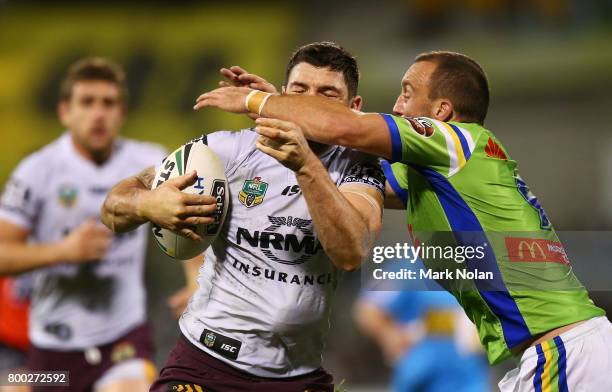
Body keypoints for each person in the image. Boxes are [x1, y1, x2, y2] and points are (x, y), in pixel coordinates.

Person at [193, 50, 612, 391]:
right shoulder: (439, 175)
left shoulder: (455, 141)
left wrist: (257, 101)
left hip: (565, 354)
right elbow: (344, 171)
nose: (396, 106)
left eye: (407, 93)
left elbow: (346, 129)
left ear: (442, 111)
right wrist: (287, 112)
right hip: (552, 353)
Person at [101, 42, 385, 392]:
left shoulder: (359, 166)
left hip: (298, 374)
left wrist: (306, 166)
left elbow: (351, 252)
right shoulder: (231, 149)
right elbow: (113, 206)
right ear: (282, 95)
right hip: (206, 364)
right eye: (299, 91)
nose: (309, 102)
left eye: (327, 94)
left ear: (354, 107)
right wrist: (147, 204)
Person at [0, 57, 169, 392]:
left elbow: (187, 215)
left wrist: (195, 277)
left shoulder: (150, 162)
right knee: (11, 386)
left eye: (109, 103)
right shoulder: (36, 171)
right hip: (50, 349)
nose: (98, 114)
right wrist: (63, 251)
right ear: (65, 111)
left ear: (122, 112)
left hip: (122, 342)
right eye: (87, 102)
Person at [355, 287, 489, 392]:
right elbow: (368, 308)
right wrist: (389, 335)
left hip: (466, 382)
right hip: (418, 379)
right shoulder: (410, 269)